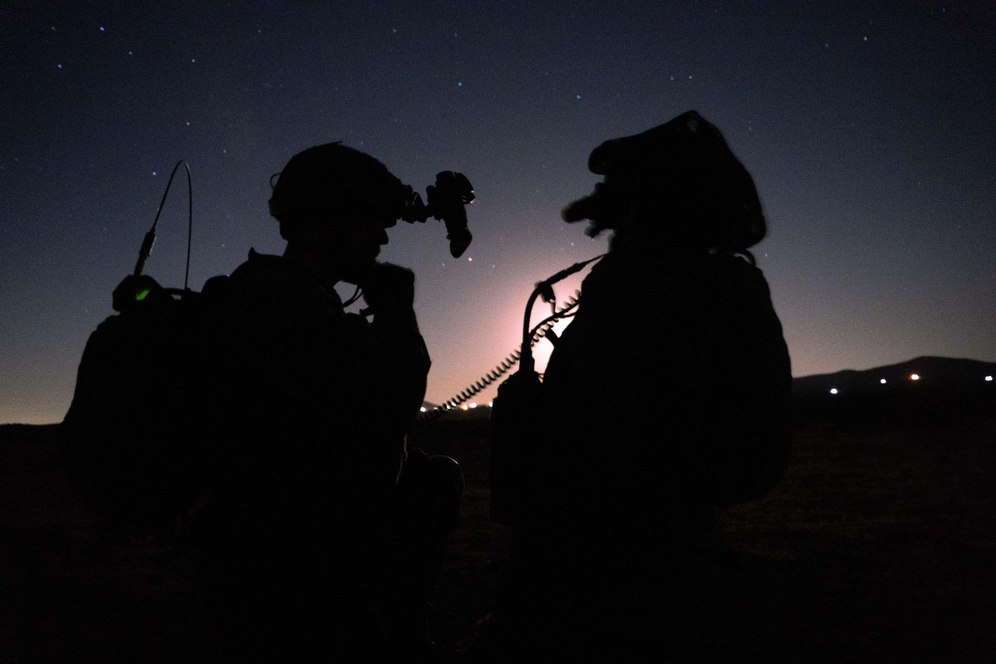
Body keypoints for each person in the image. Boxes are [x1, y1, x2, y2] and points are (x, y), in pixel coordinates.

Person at [484, 111, 793, 661]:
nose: (604, 209)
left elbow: (747, 457)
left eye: (620, 194)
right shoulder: (625, 291)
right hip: (568, 573)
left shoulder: (709, 294)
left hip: (643, 591)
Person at [194, 142, 459, 661]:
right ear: (319, 223)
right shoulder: (282, 304)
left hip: (282, 559)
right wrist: (397, 313)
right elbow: (388, 407)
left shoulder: (279, 294)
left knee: (432, 478)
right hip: (292, 576)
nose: (383, 237)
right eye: (369, 221)